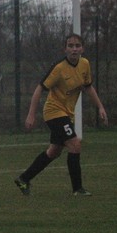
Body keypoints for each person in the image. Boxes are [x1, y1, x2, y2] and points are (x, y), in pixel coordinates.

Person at [14, 33, 108, 196]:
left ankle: (24, 179)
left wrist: (100, 107)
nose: (74, 49)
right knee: (75, 144)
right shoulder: (59, 68)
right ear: (65, 49)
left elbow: (88, 87)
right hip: (54, 112)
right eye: (70, 46)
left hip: (66, 113)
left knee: (54, 151)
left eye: (77, 46)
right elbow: (39, 88)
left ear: (82, 49)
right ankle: (77, 189)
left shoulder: (85, 64)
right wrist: (31, 114)